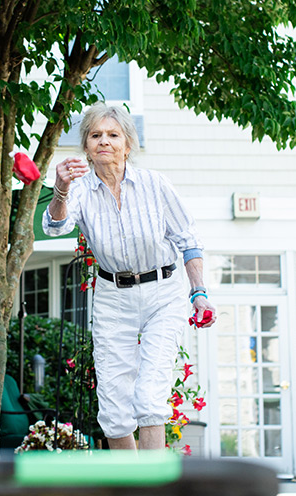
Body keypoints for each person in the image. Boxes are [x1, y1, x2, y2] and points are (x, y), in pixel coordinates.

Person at [42, 102, 216, 451]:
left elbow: (188, 239)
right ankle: (129, 485)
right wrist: (60, 188)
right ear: (87, 146)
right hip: (113, 295)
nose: (103, 141)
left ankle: (152, 488)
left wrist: (199, 292)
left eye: (112, 134)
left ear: (127, 143)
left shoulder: (155, 184)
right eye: (95, 135)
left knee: (150, 397)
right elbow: (56, 225)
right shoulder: (79, 188)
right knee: (113, 406)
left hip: (163, 292)